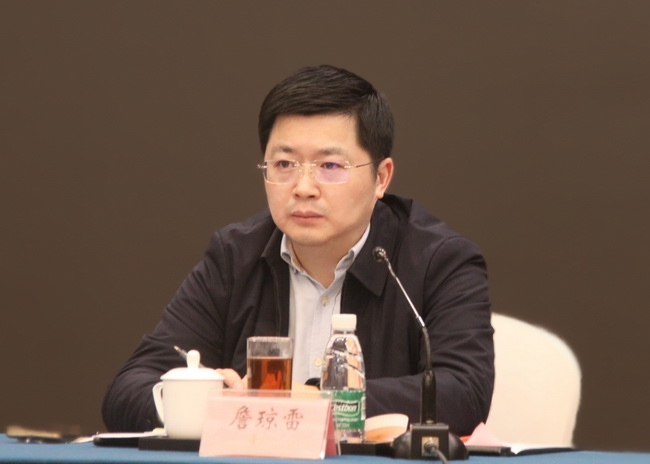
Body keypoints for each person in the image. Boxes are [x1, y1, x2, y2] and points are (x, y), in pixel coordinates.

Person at [102, 65, 494, 437]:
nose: (303, 187)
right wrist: (203, 402)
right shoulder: (234, 257)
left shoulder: (438, 260)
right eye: (285, 164)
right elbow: (128, 388)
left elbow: (463, 392)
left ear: (381, 177)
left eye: (330, 166)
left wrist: (309, 401)